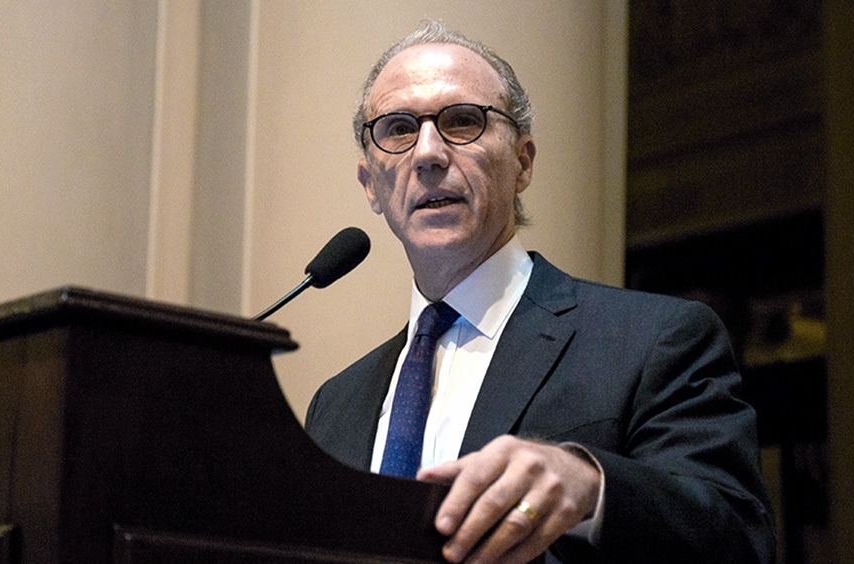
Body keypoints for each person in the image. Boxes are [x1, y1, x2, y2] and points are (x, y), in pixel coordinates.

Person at [304, 20, 775, 563]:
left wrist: (592, 487)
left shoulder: (653, 341)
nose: (428, 153)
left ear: (523, 163)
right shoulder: (335, 405)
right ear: (371, 185)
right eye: (398, 129)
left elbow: (741, 540)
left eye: (462, 121)